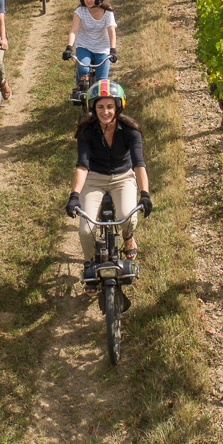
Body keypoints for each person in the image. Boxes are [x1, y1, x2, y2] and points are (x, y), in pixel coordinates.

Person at [64, 80, 152, 291]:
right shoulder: (86, 131)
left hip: (123, 178)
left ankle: (128, 238)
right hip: (94, 178)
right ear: (93, 107)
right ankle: (90, 263)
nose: (105, 111)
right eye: (100, 106)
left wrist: (145, 193)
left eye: (110, 106)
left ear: (118, 107)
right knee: (86, 229)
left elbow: (139, 164)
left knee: (129, 218)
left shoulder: (131, 131)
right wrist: (75, 194)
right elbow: (83, 165)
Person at [61, 0, 117, 96]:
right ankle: (80, 89)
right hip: (84, 46)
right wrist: (69, 47)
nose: (88, 0)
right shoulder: (80, 11)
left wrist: (113, 51)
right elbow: (73, 31)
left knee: (102, 82)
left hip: (102, 49)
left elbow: (112, 32)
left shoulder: (108, 13)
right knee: (83, 70)